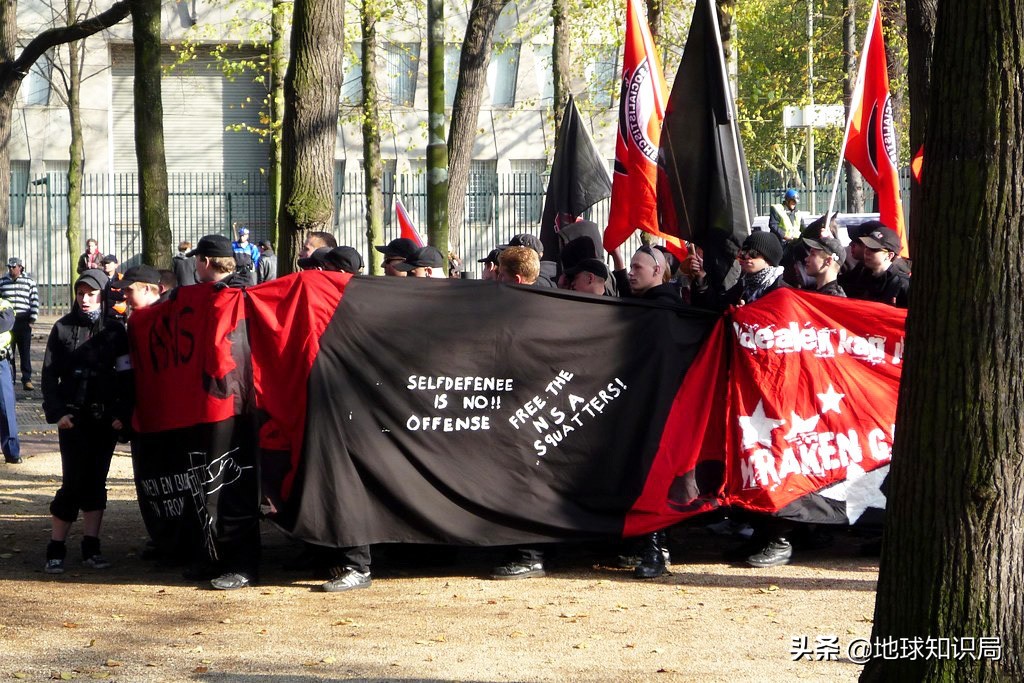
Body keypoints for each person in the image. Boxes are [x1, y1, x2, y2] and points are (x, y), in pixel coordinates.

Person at [41, 269, 131, 573]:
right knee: (72, 482)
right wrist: (57, 412)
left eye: (91, 294)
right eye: (80, 294)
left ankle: (91, 546)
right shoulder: (62, 328)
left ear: (103, 296)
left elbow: (127, 376)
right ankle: (56, 547)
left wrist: (122, 413)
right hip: (73, 418)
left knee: (96, 482)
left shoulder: (116, 331)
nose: (85, 300)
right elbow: (49, 374)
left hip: (104, 419)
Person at [185, 236, 258, 589]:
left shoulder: (236, 297)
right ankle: (213, 557)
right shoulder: (216, 295)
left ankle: (241, 564)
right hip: (215, 400)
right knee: (210, 484)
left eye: (196, 259)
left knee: (232, 483)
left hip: (234, 404)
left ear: (206, 261)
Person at [692, 232, 789, 310]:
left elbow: (778, 324)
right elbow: (717, 306)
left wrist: (748, 314)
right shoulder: (744, 283)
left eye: (753, 253)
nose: (746, 256)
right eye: (743, 252)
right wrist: (701, 277)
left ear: (769, 259)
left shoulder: (781, 289)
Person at [840, 223, 909, 307]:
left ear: (889, 255)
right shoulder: (863, 276)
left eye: (873, 249)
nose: (867, 251)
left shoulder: (902, 285)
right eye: (866, 246)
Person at [0, 257, 40, 390]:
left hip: (24, 320)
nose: (11, 269)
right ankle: (10, 378)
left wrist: (32, 319)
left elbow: (34, 300)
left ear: (20, 267)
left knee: (25, 352)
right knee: (8, 351)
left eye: (14, 267)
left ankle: (26, 379)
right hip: (8, 321)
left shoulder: (29, 282)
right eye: (9, 267)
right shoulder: (2, 282)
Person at [0, 294, 20, 464]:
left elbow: (5, 322)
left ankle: (11, 451)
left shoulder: (4, 305)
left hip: (0, 363)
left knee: (6, 407)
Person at [100, 255, 127, 324]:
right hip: (102, 314)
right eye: (104, 263)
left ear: (116, 265)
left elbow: (124, 295)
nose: (106, 265)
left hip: (118, 315)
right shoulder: (99, 278)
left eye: (108, 263)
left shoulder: (122, 278)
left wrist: (107, 296)